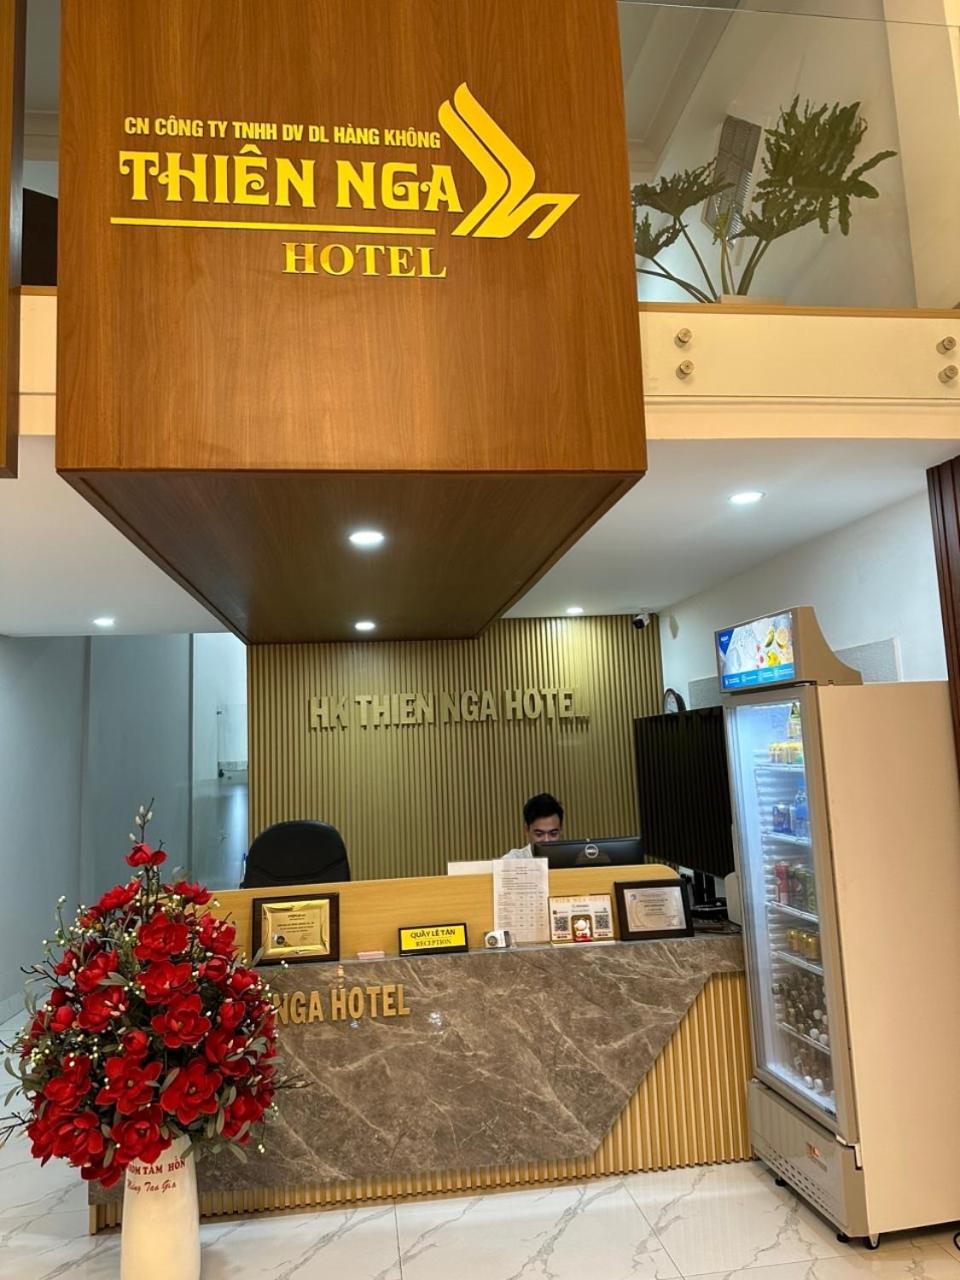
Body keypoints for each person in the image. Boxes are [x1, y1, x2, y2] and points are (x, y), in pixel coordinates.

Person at [501, 793, 565, 859]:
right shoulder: (513, 859)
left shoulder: (569, 858)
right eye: (539, 834)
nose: (547, 841)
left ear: (561, 829)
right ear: (527, 830)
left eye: (553, 834)